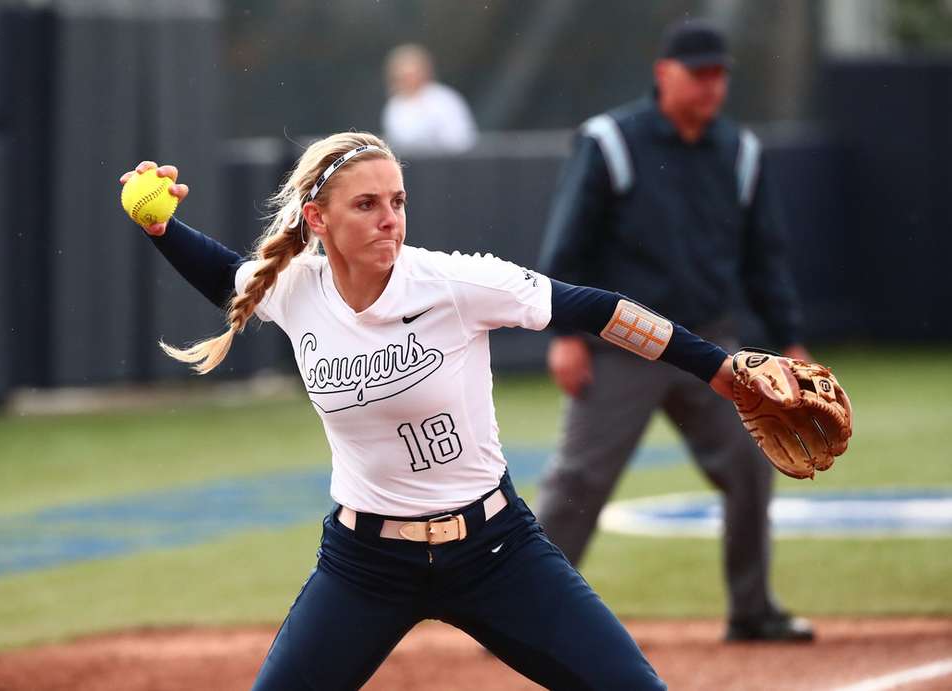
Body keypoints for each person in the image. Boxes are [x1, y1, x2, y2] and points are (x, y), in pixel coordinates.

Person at [122, 131, 751, 690]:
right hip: (365, 564)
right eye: (365, 205)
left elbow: (598, 308)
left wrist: (719, 369)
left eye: (397, 202)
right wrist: (161, 229)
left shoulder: (453, 284)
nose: (388, 220)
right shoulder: (297, 290)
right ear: (318, 218)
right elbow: (228, 276)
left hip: (494, 551)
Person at [533, 19, 814, 642]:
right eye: (699, 73)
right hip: (623, 341)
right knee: (579, 481)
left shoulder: (740, 152)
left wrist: (788, 339)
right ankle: (528, 615)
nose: (712, 86)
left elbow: (763, 257)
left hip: (711, 345)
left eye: (720, 74)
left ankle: (752, 610)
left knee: (752, 462)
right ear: (664, 74)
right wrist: (566, 335)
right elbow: (568, 244)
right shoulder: (611, 141)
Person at [380, 43, 477, 153]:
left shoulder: (444, 99)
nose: (409, 80)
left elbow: (462, 139)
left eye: (413, 74)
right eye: (403, 75)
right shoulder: (394, 105)